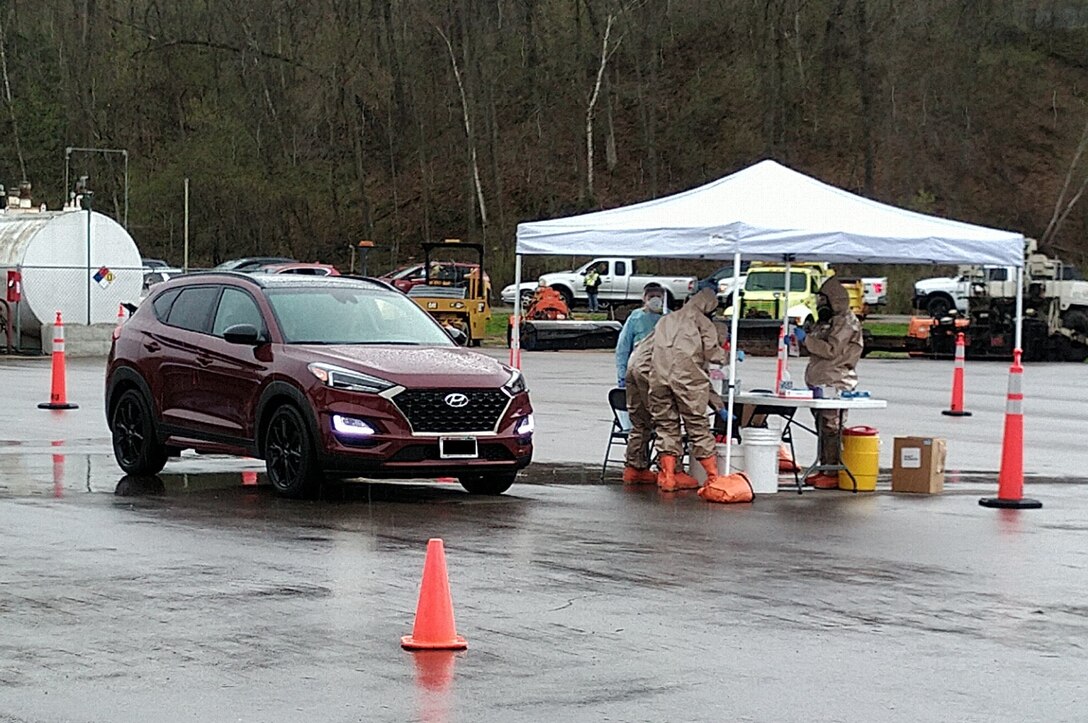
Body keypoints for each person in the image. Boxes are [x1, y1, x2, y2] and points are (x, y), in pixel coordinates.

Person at [648, 287, 727, 491]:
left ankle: (668, 477)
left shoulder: (666, 319)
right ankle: (712, 477)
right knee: (698, 425)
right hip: (688, 379)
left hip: (659, 377)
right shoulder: (703, 322)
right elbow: (713, 353)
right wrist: (728, 355)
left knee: (665, 425)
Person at [795, 277, 864, 489]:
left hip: (836, 381)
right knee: (821, 426)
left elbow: (831, 350)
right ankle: (825, 467)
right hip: (821, 380)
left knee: (831, 427)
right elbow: (818, 345)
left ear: (833, 300)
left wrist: (807, 340)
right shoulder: (830, 321)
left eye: (822, 300)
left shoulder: (846, 322)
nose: (819, 304)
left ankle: (833, 470)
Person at [615, 282, 666, 388]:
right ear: (644, 298)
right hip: (639, 369)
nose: (655, 299)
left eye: (658, 296)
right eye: (651, 296)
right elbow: (623, 347)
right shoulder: (635, 318)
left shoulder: (669, 317)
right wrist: (622, 375)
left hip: (663, 372)